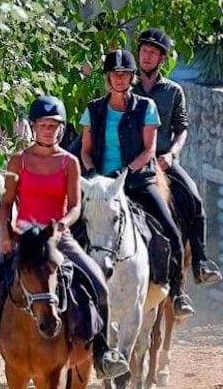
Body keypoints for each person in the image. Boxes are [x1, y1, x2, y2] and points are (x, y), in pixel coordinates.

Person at [0, 95, 128, 380]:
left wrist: (62, 225)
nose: (49, 130)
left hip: (59, 239)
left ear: (60, 128)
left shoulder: (69, 162)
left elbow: (74, 206)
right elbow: (7, 203)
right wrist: (6, 235)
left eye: (54, 125)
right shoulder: (18, 161)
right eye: (44, 125)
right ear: (34, 126)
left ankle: (102, 354)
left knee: (99, 285)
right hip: (24, 238)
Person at [79, 49, 196, 319]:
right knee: (70, 229)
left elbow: (148, 150)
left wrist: (124, 171)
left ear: (132, 77)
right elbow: (86, 150)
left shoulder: (147, 107)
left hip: (137, 182)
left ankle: (177, 292)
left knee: (171, 231)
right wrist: (94, 174)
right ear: (108, 78)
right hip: (100, 186)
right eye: (114, 75)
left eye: (124, 74)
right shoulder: (94, 110)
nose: (119, 79)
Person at [133, 28, 223, 286]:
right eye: (144, 50)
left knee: (194, 200)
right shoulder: (127, 88)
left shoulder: (173, 91)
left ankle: (200, 263)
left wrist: (172, 154)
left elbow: (181, 128)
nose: (147, 56)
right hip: (131, 161)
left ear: (162, 59)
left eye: (153, 52)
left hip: (163, 161)